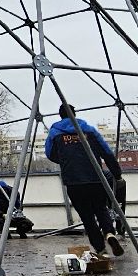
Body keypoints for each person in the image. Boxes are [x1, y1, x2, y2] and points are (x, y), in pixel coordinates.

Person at [44, 105, 123, 255]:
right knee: (101, 208)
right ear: (75, 114)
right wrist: (117, 174)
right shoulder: (89, 130)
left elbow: (50, 153)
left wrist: (65, 159)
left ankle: (100, 247)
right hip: (95, 178)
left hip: (73, 181)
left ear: (60, 116)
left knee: (86, 216)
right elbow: (106, 152)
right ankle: (109, 233)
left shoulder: (55, 133)